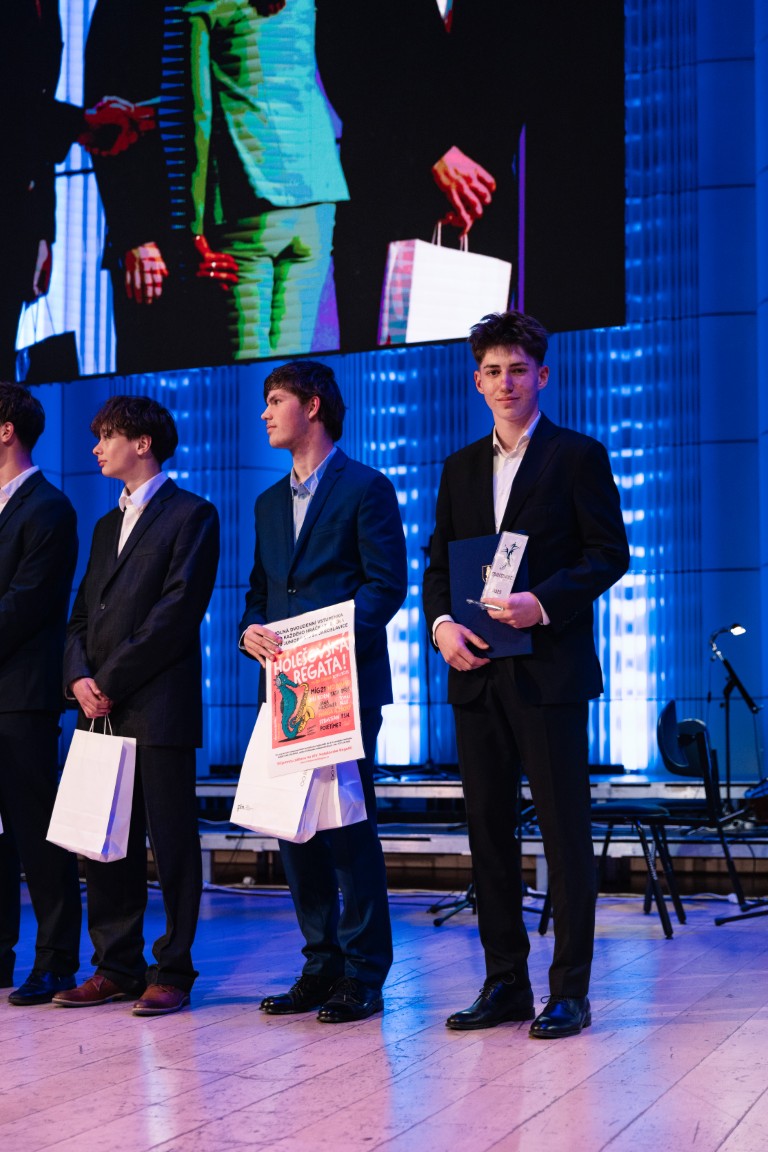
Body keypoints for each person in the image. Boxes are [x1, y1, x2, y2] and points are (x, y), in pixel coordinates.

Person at [423, 311, 629, 1038]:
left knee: (565, 834)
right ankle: (504, 982)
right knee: (487, 833)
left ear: (542, 374)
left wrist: (540, 603)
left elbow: (608, 554)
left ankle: (569, 989)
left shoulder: (577, 456)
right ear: (476, 382)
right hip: (476, 670)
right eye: (492, 371)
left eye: (518, 369)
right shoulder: (458, 467)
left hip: (548, 670)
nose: (505, 382)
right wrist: (442, 627)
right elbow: (438, 564)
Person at [239, 360, 407, 1022]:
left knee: (347, 831)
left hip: (343, 686)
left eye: (275, 399)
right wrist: (250, 629)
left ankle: (364, 972)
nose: (264, 413)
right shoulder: (266, 503)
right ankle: (320, 964)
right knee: (296, 832)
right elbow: (260, 589)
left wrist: (324, 646)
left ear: (312, 406)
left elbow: (385, 586)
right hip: (284, 690)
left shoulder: (366, 486)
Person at [54, 395, 219, 1016]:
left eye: (107, 436)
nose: (97, 448)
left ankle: (173, 968)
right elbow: (79, 616)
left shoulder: (192, 514)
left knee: (171, 844)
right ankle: (115, 966)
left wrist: (110, 679)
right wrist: (78, 678)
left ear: (142, 444)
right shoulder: (104, 526)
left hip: (158, 706)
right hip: (98, 708)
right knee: (105, 843)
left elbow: (175, 614)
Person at [179, 0, 349, 361]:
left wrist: (194, 226)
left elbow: (199, 117)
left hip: (247, 195)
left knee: (250, 363)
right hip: (316, 191)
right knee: (292, 363)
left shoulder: (207, 6)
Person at [0, 0, 155, 379]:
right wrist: (82, 124)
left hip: (20, 220)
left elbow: (33, 107)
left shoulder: (49, 7)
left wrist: (42, 233)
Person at [0, 383, 82, 1005]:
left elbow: (27, 603)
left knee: (35, 831)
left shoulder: (49, 507)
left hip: (21, 694)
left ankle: (55, 960)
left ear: (7, 429)